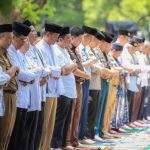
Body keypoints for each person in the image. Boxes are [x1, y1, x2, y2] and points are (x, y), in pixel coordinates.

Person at [36, 23, 63, 150]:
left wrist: (56, 70)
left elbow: (55, 67)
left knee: (51, 122)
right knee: (44, 122)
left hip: (54, 87)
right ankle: (41, 147)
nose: (57, 40)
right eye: (55, 37)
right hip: (45, 89)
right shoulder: (40, 47)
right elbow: (45, 68)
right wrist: (56, 71)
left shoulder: (52, 47)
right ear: (47, 35)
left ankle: (47, 146)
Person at [23, 20, 49, 150]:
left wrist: (46, 75)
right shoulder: (24, 50)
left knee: (38, 126)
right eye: (32, 30)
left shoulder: (35, 49)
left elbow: (44, 68)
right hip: (30, 93)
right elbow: (30, 71)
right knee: (28, 128)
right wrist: (41, 73)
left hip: (40, 92)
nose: (35, 33)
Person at [51, 27, 78, 149]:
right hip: (62, 90)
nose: (70, 40)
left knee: (67, 119)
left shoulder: (65, 50)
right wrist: (73, 65)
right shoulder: (57, 51)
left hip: (69, 90)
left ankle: (62, 144)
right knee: (59, 120)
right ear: (60, 39)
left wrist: (72, 66)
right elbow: (64, 70)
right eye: (68, 38)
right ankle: (55, 144)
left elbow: (72, 68)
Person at [66, 27, 91, 149]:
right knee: (70, 114)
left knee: (77, 114)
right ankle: (67, 141)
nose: (80, 42)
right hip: (73, 83)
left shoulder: (76, 50)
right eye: (79, 39)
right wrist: (85, 75)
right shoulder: (68, 50)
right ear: (73, 37)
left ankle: (74, 140)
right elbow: (73, 69)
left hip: (79, 84)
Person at [0, 23, 19, 150]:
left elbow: (15, 72)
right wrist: (13, 69)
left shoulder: (7, 54)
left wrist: (13, 70)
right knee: (2, 132)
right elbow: (4, 77)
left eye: (12, 38)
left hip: (12, 94)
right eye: (8, 38)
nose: (10, 41)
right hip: (5, 94)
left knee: (8, 133)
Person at [78, 25, 97, 144]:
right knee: (79, 110)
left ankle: (82, 135)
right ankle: (78, 135)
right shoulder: (79, 48)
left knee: (84, 109)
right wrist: (90, 62)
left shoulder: (86, 48)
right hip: (81, 79)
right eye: (90, 38)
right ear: (85, 36)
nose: (91, 41)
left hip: (87, 80)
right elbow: (81, 64)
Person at [110, 43, 129, 133]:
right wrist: (122, 71)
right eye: (119, 52)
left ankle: (117, 125)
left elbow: (121, 70)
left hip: (120, 86)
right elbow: (117, 71)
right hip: (114, 86)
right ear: (114, 50)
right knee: (113, 107)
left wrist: (122, 71)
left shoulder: (116, 59)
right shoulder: (110, 58)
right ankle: (112, 126)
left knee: (118, 107)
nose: (119, 55)